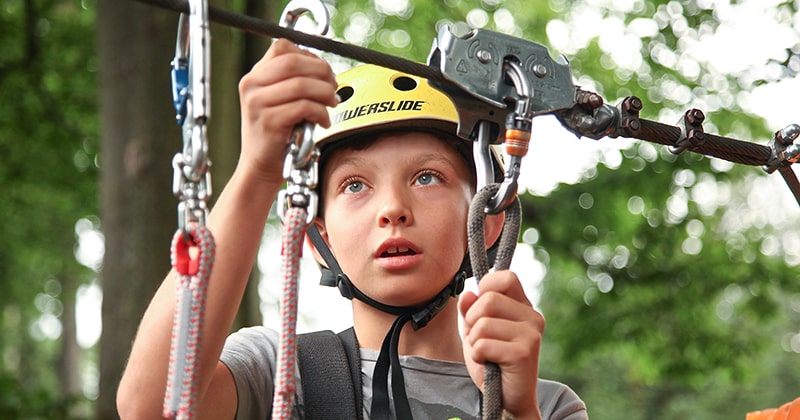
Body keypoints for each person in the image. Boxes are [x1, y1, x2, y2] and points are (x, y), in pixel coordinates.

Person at [116, 39, 588, 420]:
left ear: (485, 224)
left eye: (427, 177)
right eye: (355, 184)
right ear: (316, 240)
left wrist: (517, 411)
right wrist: (258, 171)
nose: (392, 209)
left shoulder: (550, 406)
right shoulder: (276, 372)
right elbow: (153, 407)